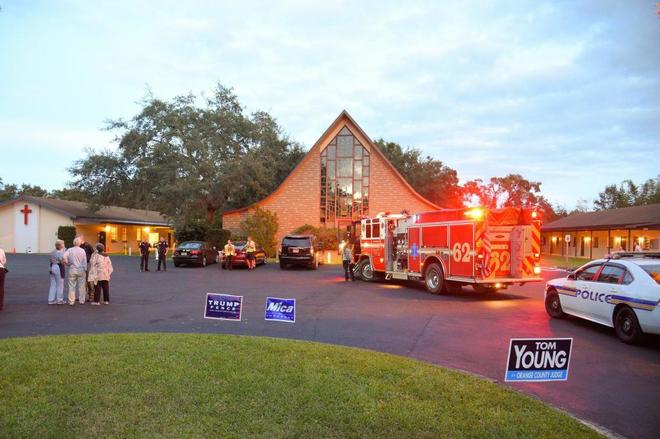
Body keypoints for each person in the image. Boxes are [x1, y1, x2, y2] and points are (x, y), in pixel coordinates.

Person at [64, 237, 88, 305]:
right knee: (82, 286)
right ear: (80, 243)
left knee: (71, 286)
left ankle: (71, 301)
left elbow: (64, 257)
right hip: (81, 269)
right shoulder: (82, 250)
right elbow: (84, 261)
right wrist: (85, 269)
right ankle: (82, 300)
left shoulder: (69, 250)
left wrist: (67, 263)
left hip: (72, 269)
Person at [48, 240, 66, 305]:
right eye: (63, 244)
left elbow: (50, 260)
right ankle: (59, 300)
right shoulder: (60, 253)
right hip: (58, 267)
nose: (64, 245)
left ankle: (51, 300)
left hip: (52, 267)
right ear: (61, 245)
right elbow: (62, 262)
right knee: (60, 284)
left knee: (53, 284)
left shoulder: (52, 252)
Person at [79, 236, 95, 302]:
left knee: (89, 280)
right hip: (81, 265)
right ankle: (82, 297)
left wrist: (92, 261)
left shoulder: (88, 245)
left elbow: (93, 253)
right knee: (82, 281)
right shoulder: (78, 246)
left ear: (81, 240)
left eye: (78, 240)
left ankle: (91, 296)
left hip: (88, 264)